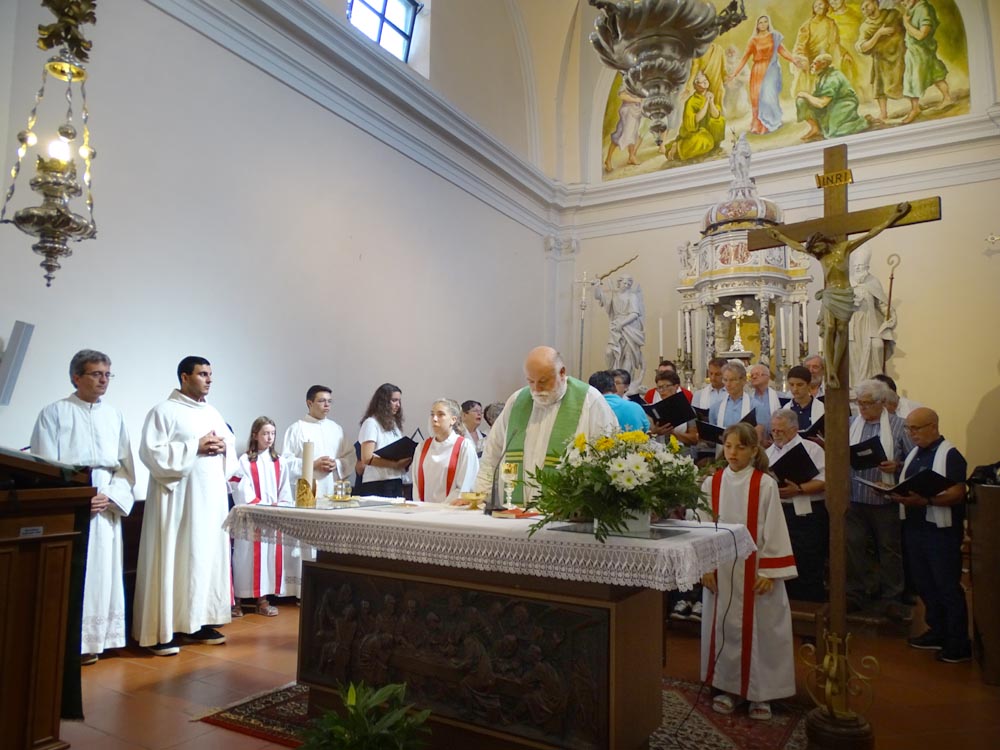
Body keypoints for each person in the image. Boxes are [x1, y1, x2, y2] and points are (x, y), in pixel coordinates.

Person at [30, 349, 136, 665]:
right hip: (74, 502)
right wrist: (77, 497)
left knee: (103, 573)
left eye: (107, 374)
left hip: (106, 502)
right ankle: (69, 641)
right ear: (76, 377)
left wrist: (111, 495)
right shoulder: (54, 413)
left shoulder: (114, 415)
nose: (104, 380)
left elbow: (125, 467)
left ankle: (99, 639)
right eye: (96, 374)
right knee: (77, 572)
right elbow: (45, 465)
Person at [133, 356, 236, 655]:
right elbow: (151, 454)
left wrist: (224, 447)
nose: (209, 379)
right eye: (202, 374)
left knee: (203, 559)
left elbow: (230, 448)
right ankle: (162, 630)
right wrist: (195, 447)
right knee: (175, 558)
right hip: (177, 503)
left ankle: (198, 622)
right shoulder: (163, 411)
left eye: (210, 374)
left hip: (210, 503)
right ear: (184, 377)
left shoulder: (213, 412)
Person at [700, 423, 797, 721]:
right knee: (724, 628)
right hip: (721, 571)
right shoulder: (712, 483)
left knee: (762, 632)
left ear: (754, 450)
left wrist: (769, 571)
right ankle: (727, 688)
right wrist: (705, 566)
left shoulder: (764, 484)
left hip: (757, 573)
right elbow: (702, 527)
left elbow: (775, 527)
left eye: (740, 447)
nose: (733, 453)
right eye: (728, 446)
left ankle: (761, 693)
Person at [765, 202, 911, 388]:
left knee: (842, 330)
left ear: (823, 242)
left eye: (817, 248)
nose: (815, 253)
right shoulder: (820, 255)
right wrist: (780, 236)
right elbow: (798, 247)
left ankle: (835, 366)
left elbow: (871, 233)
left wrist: (893, 217)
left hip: (845, 294)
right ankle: (831, 369)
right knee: (829, 328)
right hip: (830, 295)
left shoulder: (844, 249)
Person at [474, 346, 617, 503]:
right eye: (531, 381)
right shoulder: (517, 402)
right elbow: (492, 454)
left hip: (568, 511)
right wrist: (480, 496)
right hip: (515, 509)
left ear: (562, 372)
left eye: (543, 381)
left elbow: (607, 458)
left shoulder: (590, 401)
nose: (536, 389)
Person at [890, 408, 970, 663]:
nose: (911, 434)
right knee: (923, 582)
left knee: (946, 585)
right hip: (915, 527)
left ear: (933, 427)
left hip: (940, 532)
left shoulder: (950, 454)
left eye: (916, 428)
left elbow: (957, 493)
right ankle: (937, 631)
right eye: (908, 429)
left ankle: (958, 642)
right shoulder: (915, 454)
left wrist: (926, 501)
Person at [847, 378, 913, 618]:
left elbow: (913, 460)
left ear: (882, 403)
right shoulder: (851, 424)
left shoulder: (899, 426)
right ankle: (856, 593)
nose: (862, 408)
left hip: (885, 499)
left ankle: (892, 597)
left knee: (889, 549)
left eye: (867, 404)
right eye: (859, 403)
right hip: (854, 496)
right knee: (854, 548)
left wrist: (897, 465)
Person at [230, 417, 296, 616]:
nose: (269, 438)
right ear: (255, 435)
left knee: (268, 559)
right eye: (265, 433)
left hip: (271, 518)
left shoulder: (279, 461)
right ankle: (237, 601)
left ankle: (263, 600)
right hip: (251, 518)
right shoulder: (245, 461)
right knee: (244, 558)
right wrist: (257, 505)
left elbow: (285, 489)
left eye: (272, 433)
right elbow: (239, 486)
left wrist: (279, 507)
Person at [767, 409, 828, 602]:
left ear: (794, 429)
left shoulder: (812, 449)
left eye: (781, 431)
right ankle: (788, 603)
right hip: (779, 511)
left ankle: (810, 605)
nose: (776, 435)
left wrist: (799, 489)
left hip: (807, 513)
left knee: (807, 560)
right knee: (784, 557)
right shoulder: (768, 453)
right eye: (773, 430)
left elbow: (825, 480)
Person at [726, 15, 802, 134]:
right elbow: (745, 57)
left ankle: (771, 121)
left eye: (765, 21)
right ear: (757, 25)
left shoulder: (774, 36)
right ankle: (759, 125)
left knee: (768, 95)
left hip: (771, 69)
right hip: (758, 70)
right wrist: (734, 74)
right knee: (756, 97)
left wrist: (793, 60)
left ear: (768, 23)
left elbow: (782, 51)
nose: (763, 24)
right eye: (760, 22)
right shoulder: (753, 40)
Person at [282, 384, 355, 499]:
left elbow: (351, 457)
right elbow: (285, 463)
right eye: (321, 401)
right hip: (306, 493)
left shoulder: (336, 429)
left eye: (329, 401)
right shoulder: (296, 429)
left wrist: (336, 464)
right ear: (309, 403)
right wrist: (312, 464)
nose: (327, 405)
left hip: (332, 490)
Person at [412, 399, 479, 503]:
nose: (434, 419)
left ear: (453, 420)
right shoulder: (422, 447)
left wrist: (443, 508)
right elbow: (416, 484)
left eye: (440, 415)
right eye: (432, 414)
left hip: (451, 510)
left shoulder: (464, 446)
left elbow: (465, 486)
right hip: (424, 509)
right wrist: (420, 507)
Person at [795, 54, 869, 142]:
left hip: (844, 103)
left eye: (815, 63)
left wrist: (806, 95)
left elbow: (822, 103)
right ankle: (815, 128)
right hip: (830, 103)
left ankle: (861, 122)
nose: (812, 65)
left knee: (833, 134)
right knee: (801, 101)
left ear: (823, 64)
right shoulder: (822, 74)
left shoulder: (833, 78)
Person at [900, 0, 952, 125]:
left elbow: (921, 35)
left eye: (904, 0)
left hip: (920, 52)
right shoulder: (913, 9)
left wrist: (906, 24)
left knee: (912, 79)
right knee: (935, 74)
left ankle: (915, 109)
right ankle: (947, 98)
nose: (902, 3)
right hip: (918, 51)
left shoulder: (923, 10)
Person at [849, 248, 895, 385]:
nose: (858, 268)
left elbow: (882, 304)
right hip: (853, 324)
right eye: (856, 266)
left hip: (870, 323)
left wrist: (890, 315)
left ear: (867, 267)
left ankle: (875, 384)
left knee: (877, 346)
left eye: (861, 266)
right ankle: (856, 386)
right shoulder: (848, 282)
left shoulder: (873, 282)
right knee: (854, 354)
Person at [358, 383, 411, 498]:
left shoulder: (394, 425)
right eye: (394, 400)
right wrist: (394, 464)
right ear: (383, 402)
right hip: (377, 482)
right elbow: (366, 458)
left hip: (395, 479)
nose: (398, 405)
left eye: (399, 401)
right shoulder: (371, 423)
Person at [856, 0, 907, 123]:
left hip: (900, 55)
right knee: (879, 86)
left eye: (867, 5)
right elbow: (863, 47)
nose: (864, 10)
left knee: (908, 79)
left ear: (875, 3)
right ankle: (883, 113)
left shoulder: (892, 14)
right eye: (862, 8)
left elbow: (906, 25)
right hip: (881, 59)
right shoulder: (866, 26)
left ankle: (915, 107)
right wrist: (879, 33)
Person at [592, 274, 645, 386]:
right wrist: (596, 286)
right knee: (609, 352)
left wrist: (622, 323)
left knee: (628, 356)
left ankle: (624, 384)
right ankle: (612, 375)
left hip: (630, 327)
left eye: (628, 284)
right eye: (624, 282)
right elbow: (599, 297)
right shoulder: (613, 295)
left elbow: (635, 313)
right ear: (619, 283)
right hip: (615, 328)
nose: (626, 285)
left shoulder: (632, 296)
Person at [666, 71, 725, 161]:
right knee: (705, 141)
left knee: (720, 121)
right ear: (696, 85)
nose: (705, 82)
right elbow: (692, 122)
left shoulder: (710, 95)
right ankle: (678, 147)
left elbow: (716, 115)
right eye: (702, 82)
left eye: (706, 80)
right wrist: (706, 103)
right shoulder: (691, 101)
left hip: (707, 130)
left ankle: (713, 143)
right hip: (692, 132)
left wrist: (711, 102)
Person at [792, 0, 842, 97]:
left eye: (820, 4)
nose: (818, 7)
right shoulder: (807, 25)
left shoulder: (831, 23)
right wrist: (802, 56)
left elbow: (835, 43)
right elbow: (800, 45)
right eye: (816, 5)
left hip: (827, 57)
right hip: (811, 58)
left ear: (826, 6)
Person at [604, 86, 644, 172]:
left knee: (634, 135)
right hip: (628, 111)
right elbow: (622, 95)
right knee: (620, 136)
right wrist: (636, 100)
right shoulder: (627, 82)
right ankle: (608, 159)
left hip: (636, 112)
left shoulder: (639, 83)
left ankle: (631, 157)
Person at [748, 363, 785, 446]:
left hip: (773, 440)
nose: (754, 377)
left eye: (757, 374)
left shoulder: (779, 397)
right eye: (752, 375)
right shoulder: (748, 398)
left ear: (767, 377)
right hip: (754, 441)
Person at [787, 365, 825, 436]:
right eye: (791, 385)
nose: (795, 389)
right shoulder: (786, 409)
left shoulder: (822, 408)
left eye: (800, 385)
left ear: (808, 385)